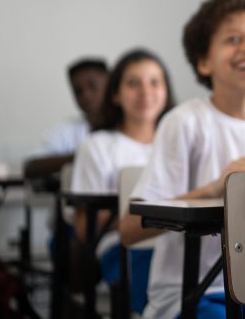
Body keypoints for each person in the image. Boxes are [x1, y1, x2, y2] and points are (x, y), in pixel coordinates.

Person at [120, 0, 245, 319]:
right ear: (203, 61)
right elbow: (129, 230)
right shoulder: (184, 122)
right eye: (232, 39)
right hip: (193, 293)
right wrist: (215, 188)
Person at [70, 48, 175, 314]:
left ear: (166, 90)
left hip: (178, 244)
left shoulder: (178, 144)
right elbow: (85, 227)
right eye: (133, 83)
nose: (145, 91)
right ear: (115, 94)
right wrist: (142, 219)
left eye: (155, 82)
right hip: (125, 249)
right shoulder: (98, 146)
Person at [38, 57, 109, 155]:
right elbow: (32, 164)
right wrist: (84, 157)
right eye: (78, 91)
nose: (86, 96)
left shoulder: (129, 126)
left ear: (111, 85)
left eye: (92, 86)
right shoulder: (66, 131)